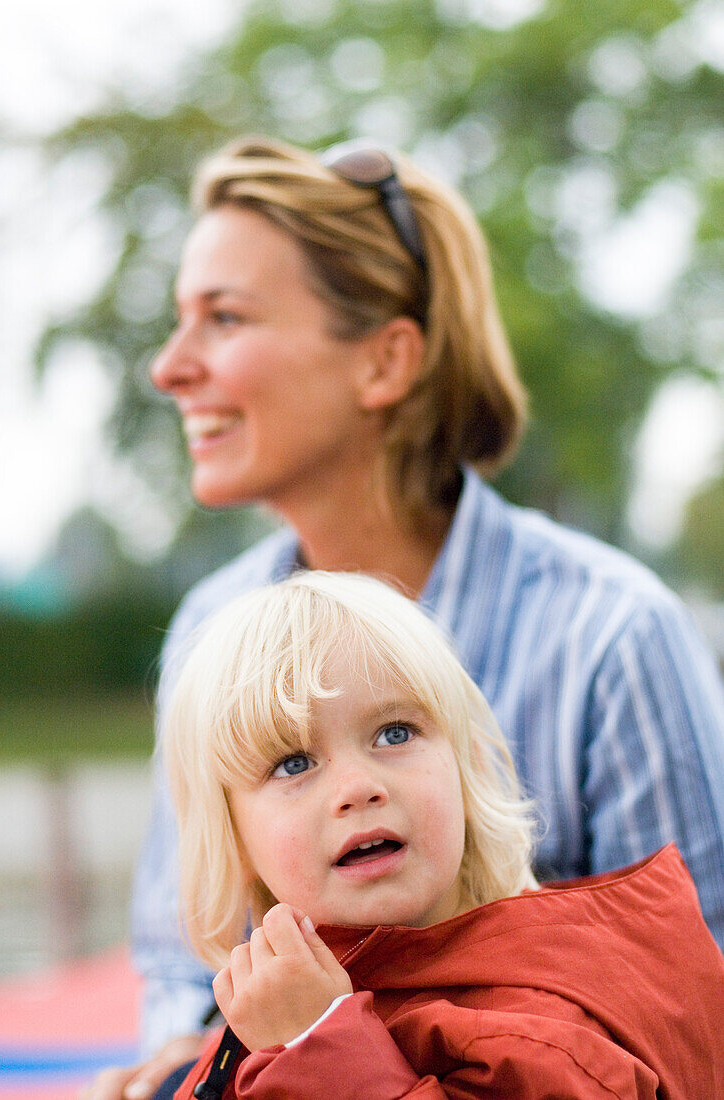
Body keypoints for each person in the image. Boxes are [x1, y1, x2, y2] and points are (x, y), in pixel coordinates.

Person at [83, 136, 724, 1100]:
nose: (170, 368)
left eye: (223, 318)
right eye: (292, 762)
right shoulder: (210, 630)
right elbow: (186, 978)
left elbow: (696, 1017)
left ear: (385, 361)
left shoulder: (611, 632)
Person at [169, 572, 722, 1098]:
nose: (358, 787)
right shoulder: (283, 1001)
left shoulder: (540, 1038)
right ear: (233, 839)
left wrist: (318, 1046)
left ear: (467, 768)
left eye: (394, 733)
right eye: (293, 764)